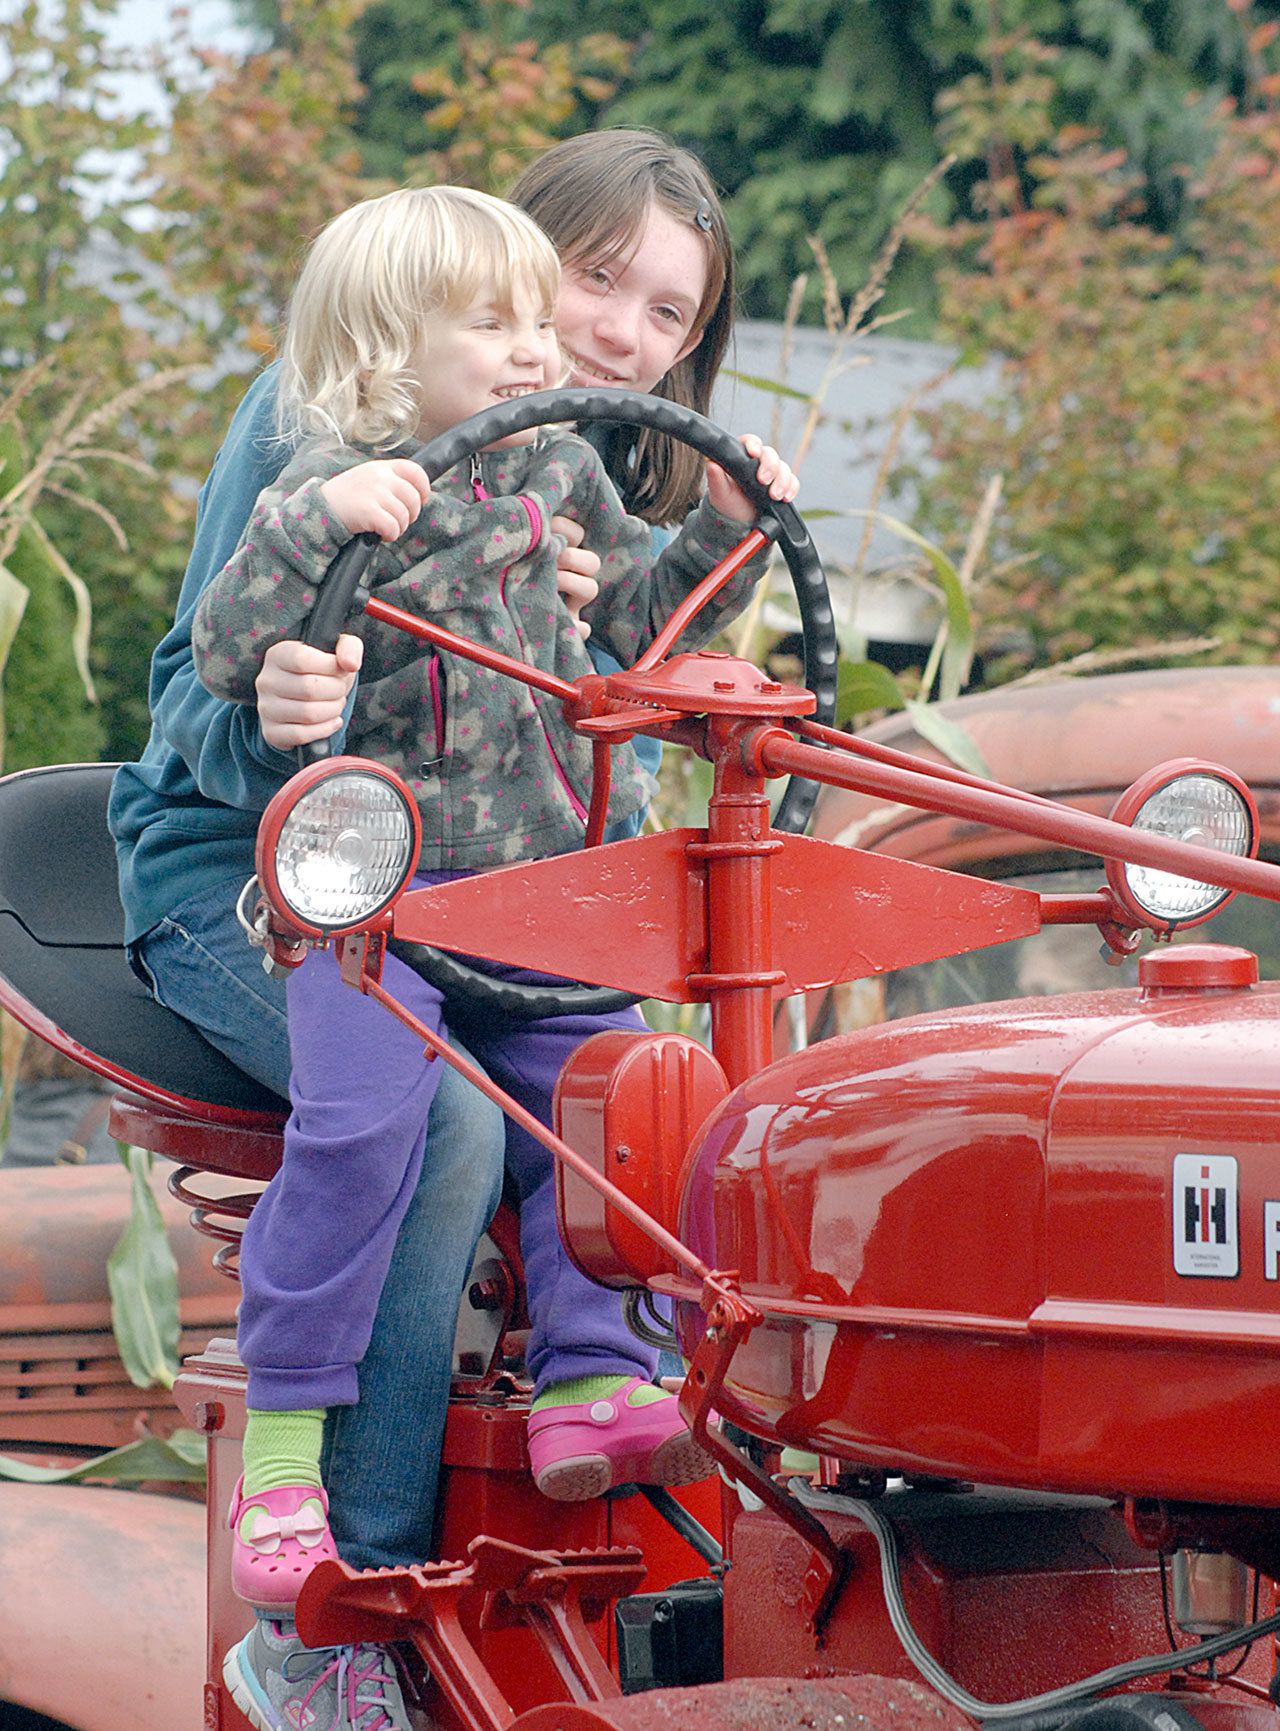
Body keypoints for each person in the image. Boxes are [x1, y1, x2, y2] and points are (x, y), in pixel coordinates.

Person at [108, 129, 749, 1731]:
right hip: (256, 871)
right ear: (500, 266)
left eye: (665, 317)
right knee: (448, 1123)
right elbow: (210, 687)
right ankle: (345, 1609)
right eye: (591, 281)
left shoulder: (561, 469)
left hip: (472, 903)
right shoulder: (336, 422)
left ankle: (613, 1409)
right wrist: (276, 711)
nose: (612, 336)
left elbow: (620, 682)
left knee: (648, 1092)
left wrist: (711, 547)